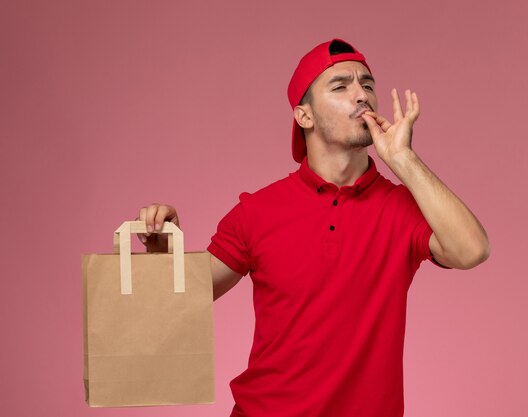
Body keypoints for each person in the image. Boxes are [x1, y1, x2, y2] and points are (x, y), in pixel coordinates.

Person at [137, 39, 489, 417]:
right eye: (341, 86)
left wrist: (403, 158)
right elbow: (183, 299)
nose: (362, 96)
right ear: (304, 117)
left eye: (367, 84)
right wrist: (162, 249)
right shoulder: (257, 211)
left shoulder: (402, 207)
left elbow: (472, 250)